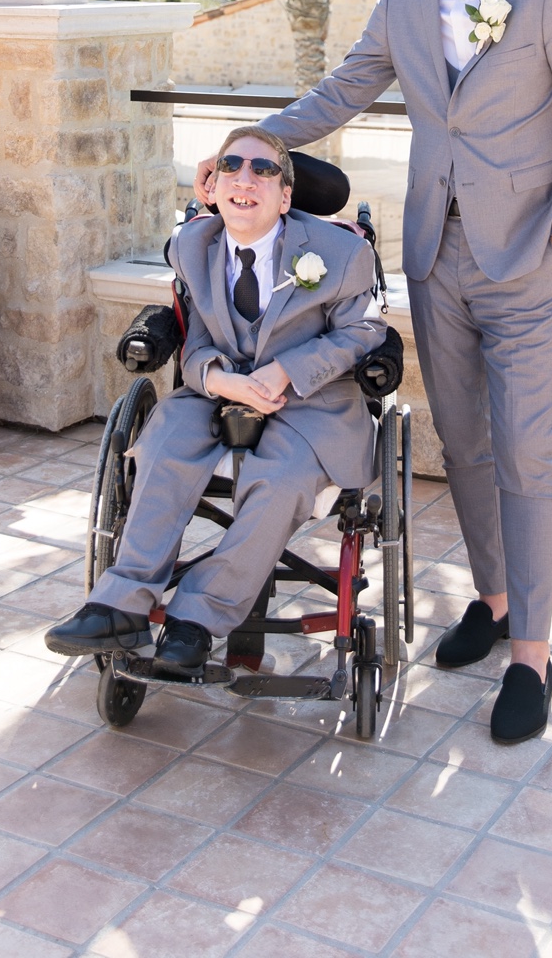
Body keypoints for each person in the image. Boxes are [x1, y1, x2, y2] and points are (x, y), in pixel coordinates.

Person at [195, 0, 552, 742]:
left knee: (526, 455)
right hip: (436, 258)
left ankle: (532, 658)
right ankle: (496, 598)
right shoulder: (397, 1)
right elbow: (339, 93)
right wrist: (246, 153)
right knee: (464, 444)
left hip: (528, 263)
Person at [46, 126, 383, 677]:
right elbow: (196, 335)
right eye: (231, 166)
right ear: (215, 184)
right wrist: (218, 379)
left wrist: (286, 372)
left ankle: (197, 619)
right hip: (218, 393)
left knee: (280, 479)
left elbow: (364, 333)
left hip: (309, 404)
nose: (245, 179)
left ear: (286, 196)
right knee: (162, 445)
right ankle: (120, 606)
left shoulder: (341, 253)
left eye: (264, 169)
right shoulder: (192, 246)